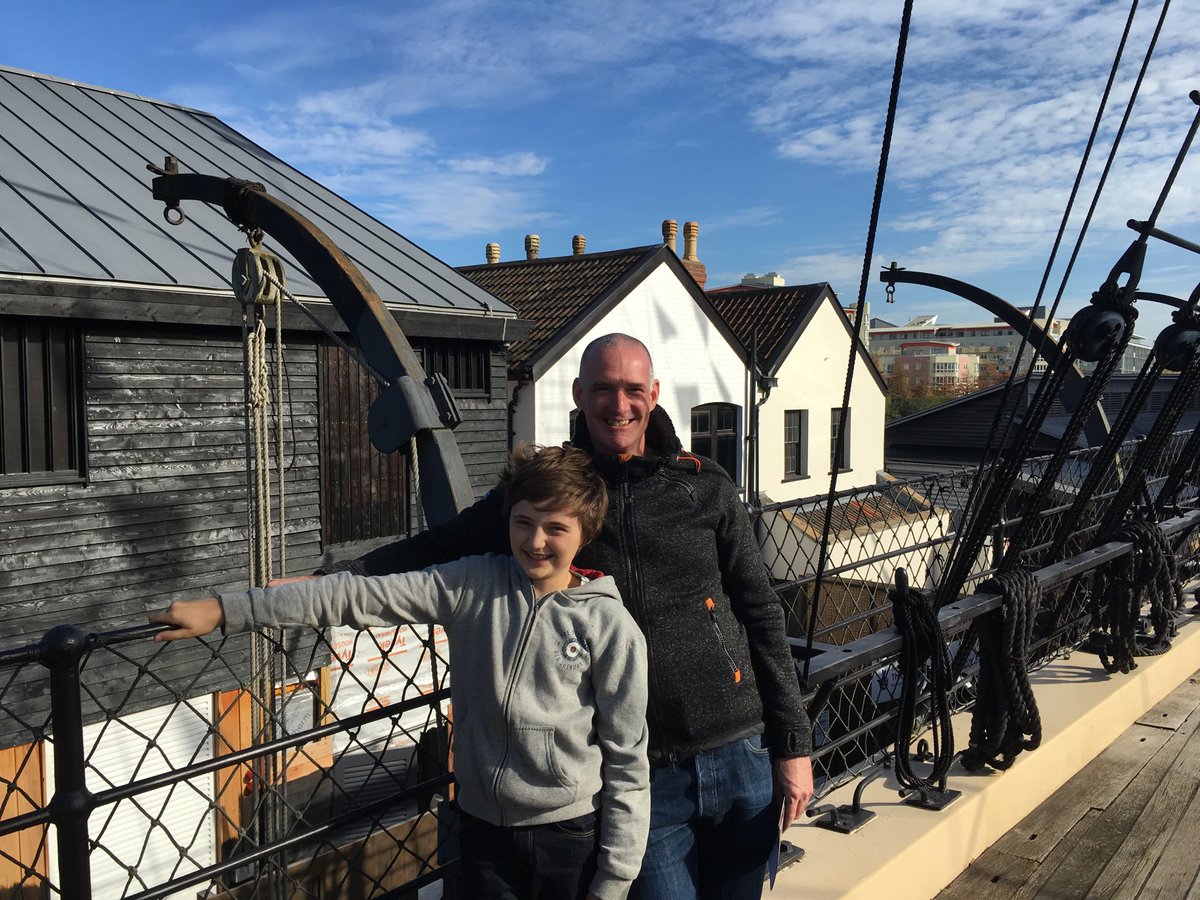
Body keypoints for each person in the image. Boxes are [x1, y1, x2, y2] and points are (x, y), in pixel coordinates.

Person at [329, 333, 814, 899]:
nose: (619, 404)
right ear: (580, 393)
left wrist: (793, 745)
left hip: (739, 750)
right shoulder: (559, 491)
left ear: (653, 394)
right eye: (604, 388)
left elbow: (761, 613)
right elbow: (444, 545)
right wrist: (340, 579)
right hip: (642, 775)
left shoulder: (704, 484)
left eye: (634, 389)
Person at [149, 445, 650, 900]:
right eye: (523, 522)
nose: (536, 541)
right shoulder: (471, 585)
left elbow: (628, 758)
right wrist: (223, 610)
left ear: (585, 533)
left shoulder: (606, 625)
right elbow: (356, 597)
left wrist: (614, 880)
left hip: (568, 837)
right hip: (480, 831)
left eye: (555, 528)